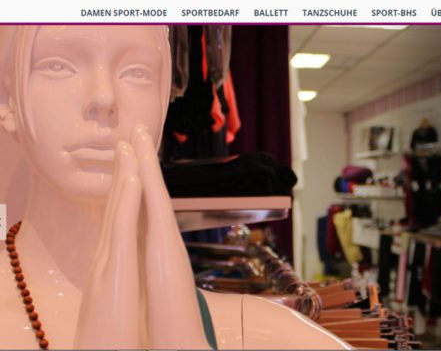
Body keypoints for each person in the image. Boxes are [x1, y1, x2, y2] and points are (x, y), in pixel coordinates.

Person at [0, 26, 349, 350]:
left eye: (136, 72)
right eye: (58, 66)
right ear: (7, 100)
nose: (104, 97)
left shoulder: (257, 332)